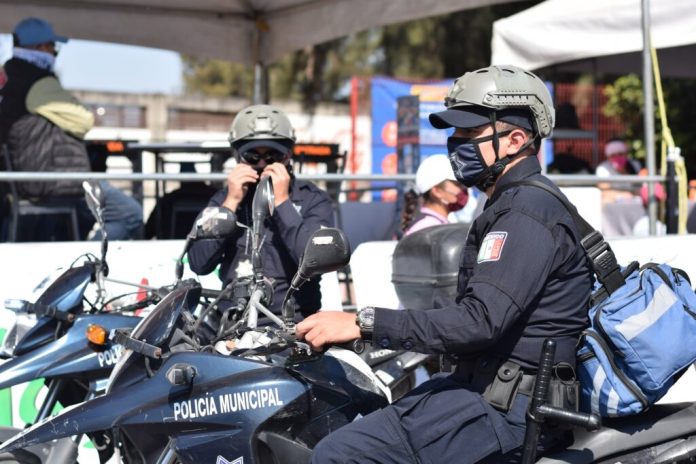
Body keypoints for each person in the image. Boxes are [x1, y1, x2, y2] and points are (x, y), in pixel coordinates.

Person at [296, 65, 593, 463]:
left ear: (515, 140)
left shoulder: (525, 212)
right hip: (486, 390)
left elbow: (477, 321)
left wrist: (362, 322)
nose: (456, 144)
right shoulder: (510, 202)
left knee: (338, 454)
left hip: (508, 410)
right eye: (455, 134)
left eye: (470, 133)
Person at [0, 17, 141, 241]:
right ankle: (86, 262)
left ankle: (72, 249)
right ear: (40, 47)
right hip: (54, 180)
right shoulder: (39, 82)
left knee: (79, 218)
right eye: (53, 47)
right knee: (129, 213)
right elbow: (84, 120)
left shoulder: (7, 77)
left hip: (23, 180)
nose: (55, 53)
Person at [188, 104, 334, 319]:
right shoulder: (224, 199)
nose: (263, 163)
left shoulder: (313, 199)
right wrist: (230, 203)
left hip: (291, 324)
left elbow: (316, 262)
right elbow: (198, 263)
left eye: (273, 155)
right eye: (252, 156)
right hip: (232, 322)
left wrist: (283, 202)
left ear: (288, 156)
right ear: (237, 156)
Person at [400, 153, 467, 236]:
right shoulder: (428, 227)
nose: (464, 188)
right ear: (437, 191)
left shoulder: (433, 224)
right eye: (457, 184)